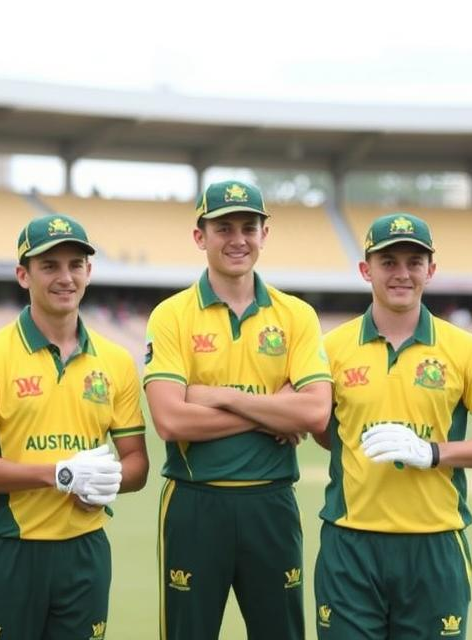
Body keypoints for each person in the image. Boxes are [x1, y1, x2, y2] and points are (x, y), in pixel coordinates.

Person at [313, 212, 472, 639]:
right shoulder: (331, 348)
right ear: (365, 269)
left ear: (431, 269)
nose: (402, 273)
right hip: (350, 544)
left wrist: (432, 453)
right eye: (388, 261)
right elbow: (319, 425)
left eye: (414, 261)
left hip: (435, 543)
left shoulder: (464, 348)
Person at [143, 180, 333, 640]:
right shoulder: (171, 315)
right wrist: (275, 408)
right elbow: (170, 421)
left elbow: (315, 416)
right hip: (194, 500)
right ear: (199, 236)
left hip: (271, 501)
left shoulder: (296, 315)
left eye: (249, 227)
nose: (237, 239)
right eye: (223, 227)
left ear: (265, 234)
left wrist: (221, 395)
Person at [0, 213, 149, 640]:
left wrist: (105, 484)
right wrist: (57, 474)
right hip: (7, 548)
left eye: (76, 264)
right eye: (49, 265)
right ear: (23, 275)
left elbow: (137, 465)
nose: (65, 277)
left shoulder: (115, 362)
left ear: (89, 272)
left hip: (85, 552)